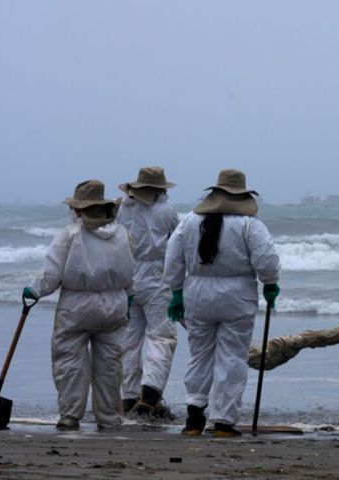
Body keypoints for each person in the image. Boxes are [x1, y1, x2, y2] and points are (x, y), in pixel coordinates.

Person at [164, 169, 280, 437]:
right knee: (232, 356)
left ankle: (194, 417)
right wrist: (270, 283)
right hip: (237, 294)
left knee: (200, 353)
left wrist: (176, 291)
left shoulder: (190, 221)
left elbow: (173, 257)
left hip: (197, 292)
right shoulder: (250, 224)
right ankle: (223, 421)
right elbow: (266, 259)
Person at [23, 180, 135, 431]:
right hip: (114, 303)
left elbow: (52, 276)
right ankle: (109, 418)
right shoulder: (122, 234)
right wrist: (127, 297)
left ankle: (70, 415)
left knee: (69, 360)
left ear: (79, 209)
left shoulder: (70, 235)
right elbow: (130, 272)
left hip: (76, 305)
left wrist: (34, 290)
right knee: (110, 364)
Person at [116, 167, 180, 416]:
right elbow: (176, 246)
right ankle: (150, 392)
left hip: (127, 277)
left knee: (128, 341)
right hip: (156, 277)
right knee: (161, 337)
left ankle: (128, 397)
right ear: (160, 189)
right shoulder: (166, 211)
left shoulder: (121, 208)